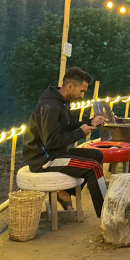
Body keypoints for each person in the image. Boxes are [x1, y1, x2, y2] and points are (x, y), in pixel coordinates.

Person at [23, 67, 107, 216]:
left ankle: (65, 192)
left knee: (97, 155)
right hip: (44, 159)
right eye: (82, 91)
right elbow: (51, 142)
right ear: (70, 86)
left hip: (57, 152)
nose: (82, 96)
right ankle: (107, 213)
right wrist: (80, 133)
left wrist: (90, 122)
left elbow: (67, 127)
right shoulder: (50, 107)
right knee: (93, 167)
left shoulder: (61, 102)